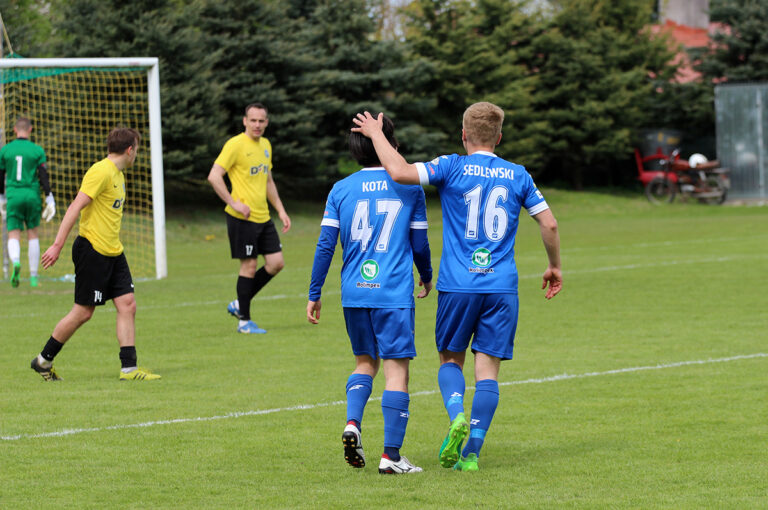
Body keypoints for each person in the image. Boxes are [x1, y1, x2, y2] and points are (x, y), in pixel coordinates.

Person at [352, 102, 562, 472]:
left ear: (463, 134)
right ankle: (472, 454)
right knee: (488, 371)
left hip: (457, 285)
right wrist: (554, 265)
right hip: (501, 288)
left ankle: (456, 416)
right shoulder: (518, 175)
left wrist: (376, 134)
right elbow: (550, 224)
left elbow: (399, 171)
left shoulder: (450, 166)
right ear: (499, 137)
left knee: (451, 359)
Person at [307, 114, 433, 474]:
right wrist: (426, 276)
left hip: (354, 292)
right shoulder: (409, 186)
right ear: (390, 143)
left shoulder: (341, 189)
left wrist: (315, 291)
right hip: (392, 292)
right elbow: (419, 244)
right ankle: (391, 457)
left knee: (365, 363)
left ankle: (352, 423)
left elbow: (325, 245)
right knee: (397, 371)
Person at [30, 127, 160, 382]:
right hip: (92, 250)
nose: (136, 154)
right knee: (83, 312)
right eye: (137, 149)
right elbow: (75, 207)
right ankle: (43, 360)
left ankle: (129, 368)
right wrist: (57, 245)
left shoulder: (118, 175)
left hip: (114, 251)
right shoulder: (101, 171)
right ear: (130, 150)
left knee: (127, 304)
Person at [208, 103, 291, 334]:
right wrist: (233, 203)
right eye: (253, 120)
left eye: (261, 121)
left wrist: (281, 210)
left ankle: (239, 303)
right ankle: (244, 322)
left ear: (267, 122)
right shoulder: (235, 145)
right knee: (250, 265)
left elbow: (268, 181)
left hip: (263, 217)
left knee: (276, 263)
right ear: (245, 121)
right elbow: (214, 176)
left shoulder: (266, 145)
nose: (257, 125)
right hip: (241, 218)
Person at [0, 117, 56, 288]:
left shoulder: (5, 150)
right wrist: (49, 197)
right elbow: (43, 176)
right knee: (33, 233)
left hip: (13, 195)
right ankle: (33, 277)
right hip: (32, 195)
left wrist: (1, 197)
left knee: (13, 233)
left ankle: (16, 261)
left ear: (15, 130)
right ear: (30, 130)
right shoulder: (37, 150)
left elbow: (0, 175)